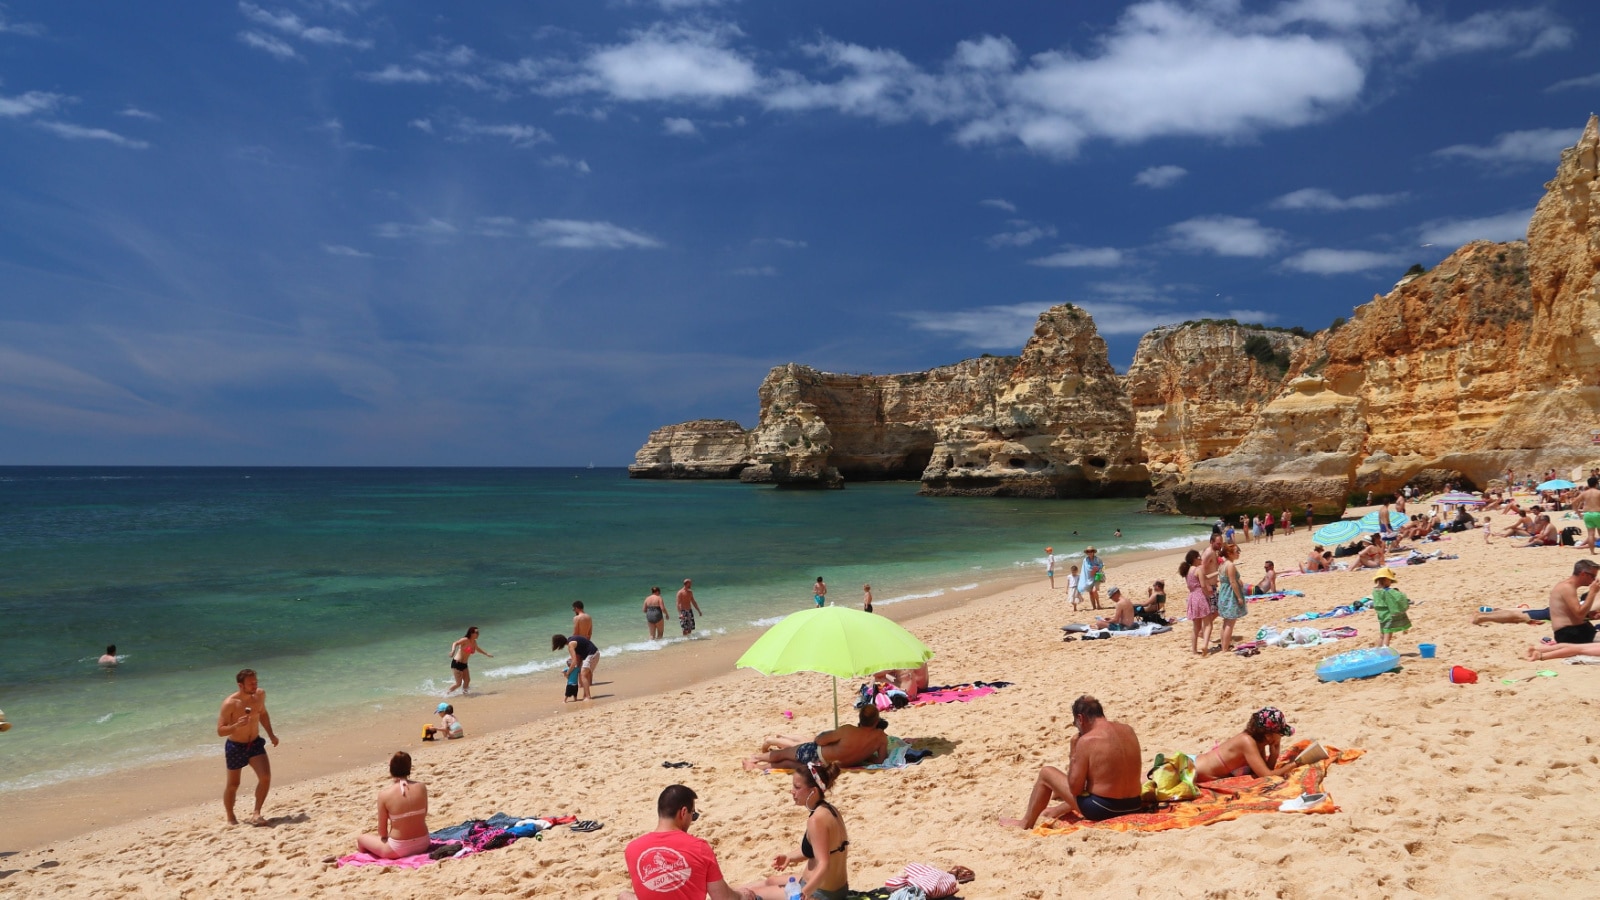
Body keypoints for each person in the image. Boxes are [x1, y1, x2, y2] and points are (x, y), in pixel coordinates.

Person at [999, 695, 1142, 827]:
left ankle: (1025, 823)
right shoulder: (1128, 730)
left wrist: (1073, 751)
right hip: (1135, 804)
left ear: (1080, 719)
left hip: (1104, 809)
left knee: (1046, 773)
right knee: (1096, 784)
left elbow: (1075, 788)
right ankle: (1055, 810)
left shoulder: (1087, 741)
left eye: (1076, 724)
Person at [741, 762, 850, 900]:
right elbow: (820, 849)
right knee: (771, 881)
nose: (792, 791)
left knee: (751, 895)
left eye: (797, 787)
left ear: (813, 791)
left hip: (820, 894)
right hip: (837, 889)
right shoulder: (830, 809)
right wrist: (789, 857)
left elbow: (824, 864)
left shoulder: (816, 821)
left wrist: (804, 893)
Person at [622, 784, 745, 900]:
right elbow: (722, 898)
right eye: (693, 815)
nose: (692, 819)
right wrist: (742, 895)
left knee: (624, 895)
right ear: (683, 812)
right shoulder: (699, 847)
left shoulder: (632, 849)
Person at [744, 705, 889, 772]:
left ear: (860, 718)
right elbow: (880, 760)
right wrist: (867, 757)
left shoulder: (848, 730)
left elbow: (819, 742)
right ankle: (757, 767)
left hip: (817, 755)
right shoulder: (881, 738)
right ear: (876, 721)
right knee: (787, 763)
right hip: (826, 768)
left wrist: (826, 736)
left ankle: (756, 757)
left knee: (783, 754)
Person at [218, 668, 279, 826]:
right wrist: (236, 726)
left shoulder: (259, 695)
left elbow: (263, 714)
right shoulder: (230, 703)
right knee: (233, 784)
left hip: (254, 743)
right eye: (251, 683)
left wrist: (271, 734)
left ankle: (256, 813)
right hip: (235, 746)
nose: (254, 686)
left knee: (265, 777)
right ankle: (231, 817)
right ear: (240, 685)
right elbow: (220, 730)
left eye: (256, 682)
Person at [355, 751, 431, 859]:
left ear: (391, 769)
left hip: (398, 848)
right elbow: (424, 815)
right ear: (409, 767)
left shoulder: (384, 795)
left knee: (361, 838)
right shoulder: (422, 787)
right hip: (423, 843)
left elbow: (382, 832)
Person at [1194, 708, 1301, 782]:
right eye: (1281, 734)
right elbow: (1266, 776)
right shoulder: (1247, 742)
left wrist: (1274, 755)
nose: (1281, 737)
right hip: (1190, 769)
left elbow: (1263, 770)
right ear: (1268, 736)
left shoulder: (1258, 743)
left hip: (1196, 768)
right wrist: (1294, 765)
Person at [1216, 543, 1247, 654]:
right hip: (1230, 595)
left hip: (1223, 594)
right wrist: (1239, 597)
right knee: (1230, 623)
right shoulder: (1230, 565)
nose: (1238, 553)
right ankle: (1225, 648)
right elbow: (1233, 582)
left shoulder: (1222, 565)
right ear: (1229, 553)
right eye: (1236, 551)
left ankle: (1224, 646)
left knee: (1226, 622)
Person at [1181, 549, 1214, 656]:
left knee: (1196, 627)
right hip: (1200, 596)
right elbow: (1203, 585)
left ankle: (1194, 651)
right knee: (1208, 624)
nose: (1201, 559)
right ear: (1194, 559)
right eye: (1199, 557)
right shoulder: (1198, 569)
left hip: (1192, 597)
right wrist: (1208, 595)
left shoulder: (1187, 571)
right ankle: (1205, 645)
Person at [1370, 567, 1411, 648]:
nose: (1390, 583)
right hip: (1388, 616)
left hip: (1381, 616)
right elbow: (1397, 599)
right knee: (1387, 635)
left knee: (1382, 634)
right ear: (1385, 579)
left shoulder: (1375, 591)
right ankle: (1385, 652)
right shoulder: (1386, 592)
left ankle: (1378, 651)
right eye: (1390, 581)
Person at [552, 632, 600, 701]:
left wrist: (568, 673)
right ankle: (585, 695)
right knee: (584, 673)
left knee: (583, 674)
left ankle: (588, 697)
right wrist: (577, 667)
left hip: (592, 654)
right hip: (595, 653)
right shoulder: (571, 639)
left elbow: (574, 661)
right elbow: (578, 658)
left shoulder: (570, 645)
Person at [447, 627, 492, 696]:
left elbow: (477, 649)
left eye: (478, 633)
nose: (478, 634)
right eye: (476, 632)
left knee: (467, 680)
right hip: (457, 663)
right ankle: (447, 694)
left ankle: (465, 694)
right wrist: (453, 651)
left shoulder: (474, 642)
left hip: (464, 664)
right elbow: (455, 643)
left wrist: (486, 654)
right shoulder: (465, 640)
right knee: (458, 683)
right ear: (471, 633)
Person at [573, 601, 599, 678]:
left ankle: (581, 683)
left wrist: (573, 645)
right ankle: (589, 682)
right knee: (586, 664)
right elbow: (590, 632)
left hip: (578, 642)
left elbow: (575, 633)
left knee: (578, 663)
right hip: (587, 642)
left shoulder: (576, 618)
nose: (574, 611)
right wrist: (587, 642)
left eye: (574, 609)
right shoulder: (589, 617)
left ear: (577, 608)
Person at [1580, 477, 1600, 555]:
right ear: (1596, 483)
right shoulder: (1598, 492)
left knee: (1591, 534)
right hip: (1598, 513)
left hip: (1587, 514)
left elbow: (1574, 502)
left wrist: (1578, 513)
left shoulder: (1584, 493)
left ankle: (1592, 552)